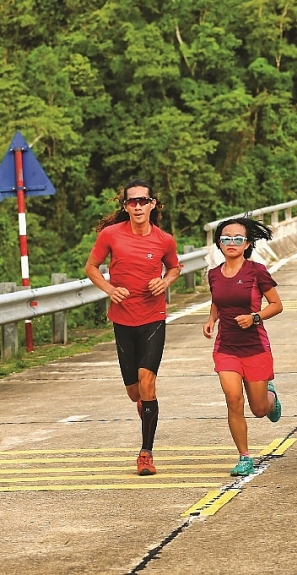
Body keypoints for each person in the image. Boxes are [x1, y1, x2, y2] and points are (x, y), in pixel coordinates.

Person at [85, 179, 181, 476]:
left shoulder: (164, 240)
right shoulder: (111, 235)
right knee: (134, 392)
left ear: (154, 204)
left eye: (143, 201)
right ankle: (145, 407)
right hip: (123, 319)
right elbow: (91, 267)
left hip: (153, 318)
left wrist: (164, 281)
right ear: (125, 206)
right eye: (132, 202)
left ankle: (146, 453)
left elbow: (175, 267)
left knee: (148, 383)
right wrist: (109, 288)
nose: (138, 206)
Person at [203, 217, 283, 477]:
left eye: (238, 239)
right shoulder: (213, 274)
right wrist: (211, 319)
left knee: (258, 409)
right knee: (233, 399)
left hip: (255, 347)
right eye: (226, 239)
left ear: (247, 243)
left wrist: (255, 317)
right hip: (226, 348)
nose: (232, 243)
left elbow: (276, 305)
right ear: (219, 243)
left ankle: (271, 399)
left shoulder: (256, 271)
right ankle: (244, 456)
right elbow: (218, 300)